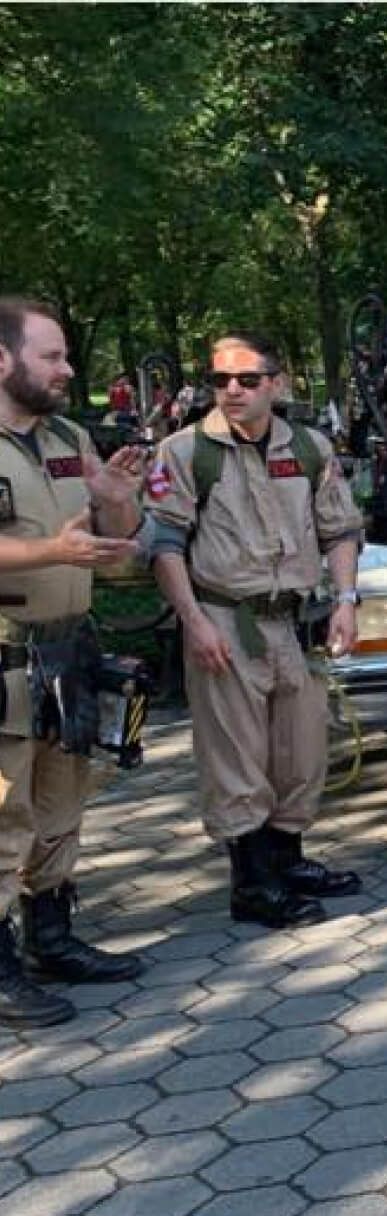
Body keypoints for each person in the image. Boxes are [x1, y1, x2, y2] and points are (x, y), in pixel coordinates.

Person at [145, 332, 366, 929]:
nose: (233, 391)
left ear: (277, 382)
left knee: (301, 750)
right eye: (221, 381)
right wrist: (192, 622)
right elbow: (164, 544)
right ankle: (252, 884)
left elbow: (341, 531)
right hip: (223, 619)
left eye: (247, 380)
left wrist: (345, 601)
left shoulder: (309, 448)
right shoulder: (187, 451)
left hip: (292, 621)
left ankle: (287, 860)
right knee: (236, 756)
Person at [0, 297, 149, 1028]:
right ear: (4, 361)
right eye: (52, 356)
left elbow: (118, 541)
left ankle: (50, 938)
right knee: (4, 811)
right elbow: (47, 546)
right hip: (5, 660)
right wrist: (52, 551)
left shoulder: (65, 435)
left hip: (66, 653)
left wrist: (116, 504)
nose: (66, 369)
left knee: (61, 805)